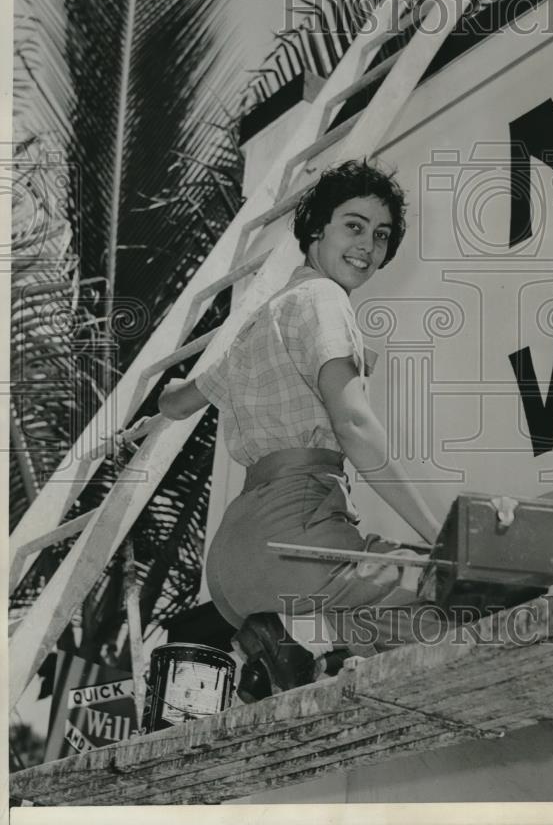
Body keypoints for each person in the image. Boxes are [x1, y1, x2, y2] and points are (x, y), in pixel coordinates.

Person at [152, 159, 447, 699]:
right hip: (297, 545)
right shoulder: (324, 299)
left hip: (234, 569)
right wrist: (441, 538)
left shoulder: (258, 324)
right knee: (454, 602)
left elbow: (178, 401)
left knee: (369, 623)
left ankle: (293, 640)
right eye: (353, 225)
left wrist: (155, 401)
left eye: (381, 236)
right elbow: (354, 423)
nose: (368, 246)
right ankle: (298, 633)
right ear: (316, 229)